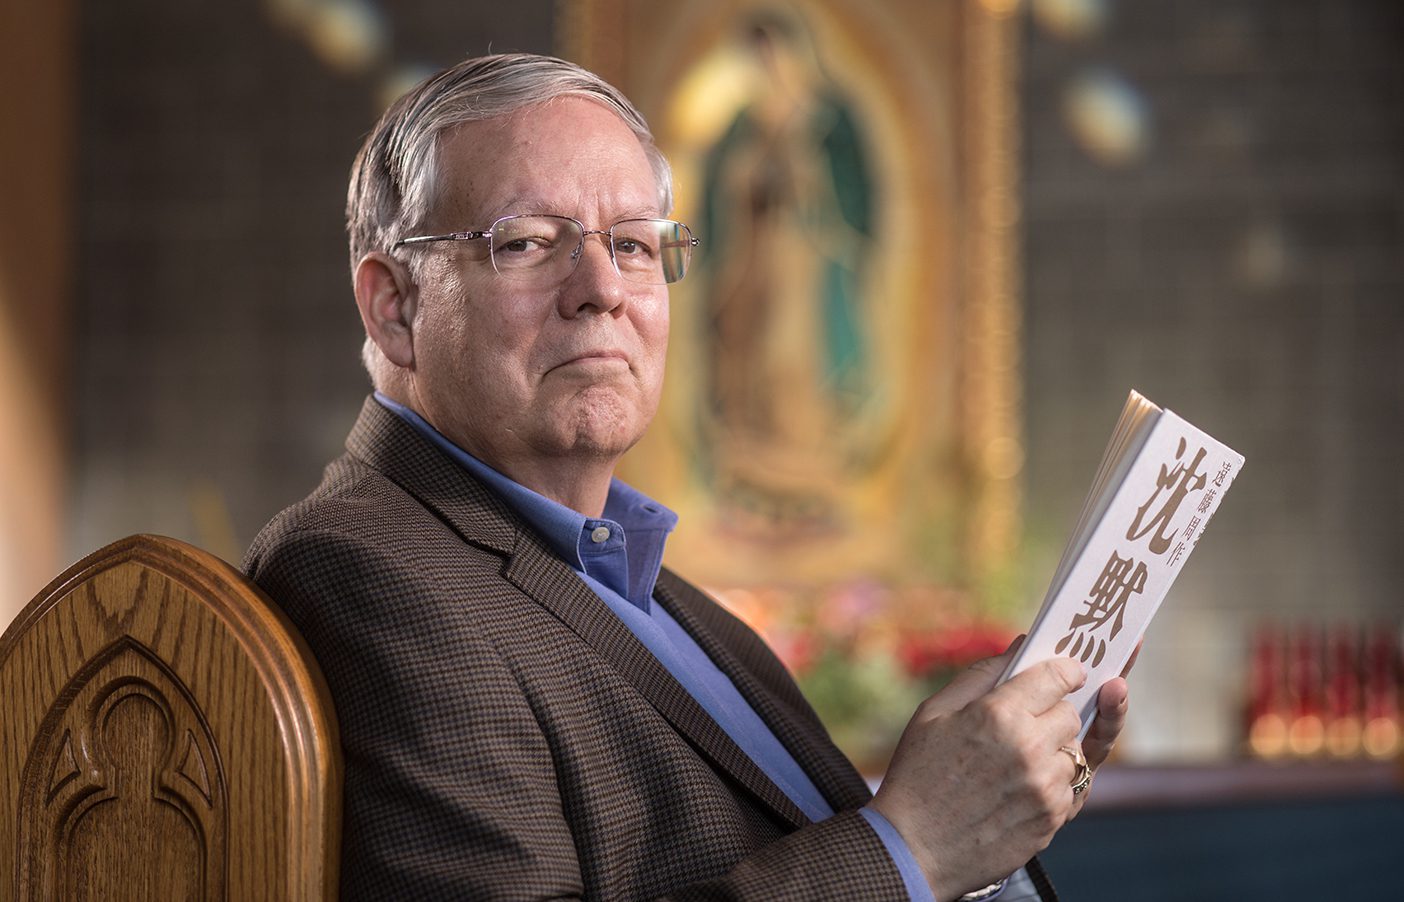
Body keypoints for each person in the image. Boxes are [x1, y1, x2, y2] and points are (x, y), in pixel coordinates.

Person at [245, 52, 1130, 901]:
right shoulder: (364, 571)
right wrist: (916, 846)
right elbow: (894, 860)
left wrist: (984, 806)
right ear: (394, 307)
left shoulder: (669, 600)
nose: (602, 288)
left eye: (633, 244)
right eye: (525, 242)